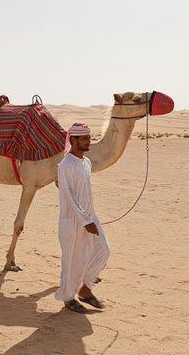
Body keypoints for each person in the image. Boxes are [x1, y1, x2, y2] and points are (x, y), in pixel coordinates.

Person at [55, 123, 111, 313]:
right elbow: (70, 197)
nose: (88, 141)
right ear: (73, 140)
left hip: (89, 218)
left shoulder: (86, 163)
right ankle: (69, 298)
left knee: (103, 250)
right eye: (84, 138)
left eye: (89, 137)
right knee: (72, 261)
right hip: (71, 222)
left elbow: (85, 194)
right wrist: (85, 221)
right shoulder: (65, 165)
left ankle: (85, 288)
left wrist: (90, 218)